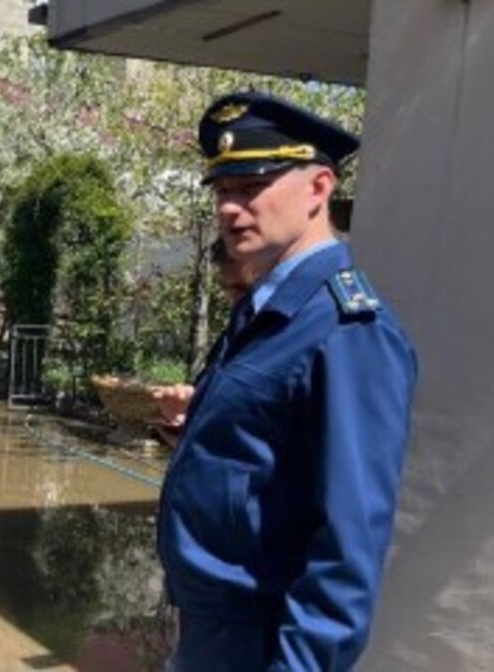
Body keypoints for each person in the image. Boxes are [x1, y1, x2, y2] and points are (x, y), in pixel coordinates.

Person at [157, 91, 418, 671]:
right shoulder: (271, 308)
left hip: (262, 643)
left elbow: (346, 553)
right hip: (212, 632)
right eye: (222, 191)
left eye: (251, 187)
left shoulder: (347, 332)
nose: (230, 209)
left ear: (319, 188)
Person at [152, 239, 265, 446]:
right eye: (228, 288)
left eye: (243, 289)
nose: (235, 300)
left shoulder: (293, 347)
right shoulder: (229, 340)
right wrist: (184, 416)